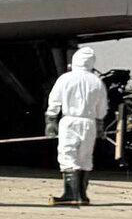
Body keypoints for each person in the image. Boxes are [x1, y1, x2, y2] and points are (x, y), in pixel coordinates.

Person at [45, 47, 108, 206]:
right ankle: (82, 194)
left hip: (70, 121)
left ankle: (71, 194)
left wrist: (51, 120)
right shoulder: (97, 81)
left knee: (68, 155)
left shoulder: (66, 78)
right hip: (89, 123)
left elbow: (54, 100)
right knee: (85, 157)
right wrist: (100, 124)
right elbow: (102, 107)